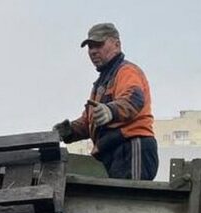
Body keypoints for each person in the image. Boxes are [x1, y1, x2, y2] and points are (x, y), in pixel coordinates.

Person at [53, 23, 157, 181]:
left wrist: (110, 111)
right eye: (90, 47)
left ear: (117, 44)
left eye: (99, 45)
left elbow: (133, 98)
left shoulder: (126, 71)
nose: (93, 51)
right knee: (117, 203)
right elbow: (89, 121)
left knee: (129, 201)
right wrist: (69, 131)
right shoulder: (101, 84)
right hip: (113, 152)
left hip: (131, 147)